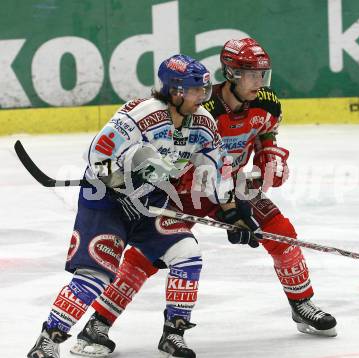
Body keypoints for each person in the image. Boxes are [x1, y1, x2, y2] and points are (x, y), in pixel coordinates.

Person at [70, 38, 337, 358]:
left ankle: (302, 303)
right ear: (231, 73)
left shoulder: (267, 102)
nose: (259, 82)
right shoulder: (201, 109)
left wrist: (270, 160)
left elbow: (265, 135)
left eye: (263, 75)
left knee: (282, 233)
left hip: (232, 186)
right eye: (251, 75)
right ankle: (98, 323)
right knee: (146, 256)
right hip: (184, 190)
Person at [27, 54, 259, 358]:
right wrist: (122, 185)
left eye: (204, 91)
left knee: (186, 253)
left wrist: (231, 210)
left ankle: (173, 334)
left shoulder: (202, 122)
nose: (203, 98)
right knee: (94, 276)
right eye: (196, 91)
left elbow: (218, 167)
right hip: (106, 203)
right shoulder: (139, 115)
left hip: (151, 204)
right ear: (176, 91)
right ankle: (48, 341)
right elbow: (97, 154)